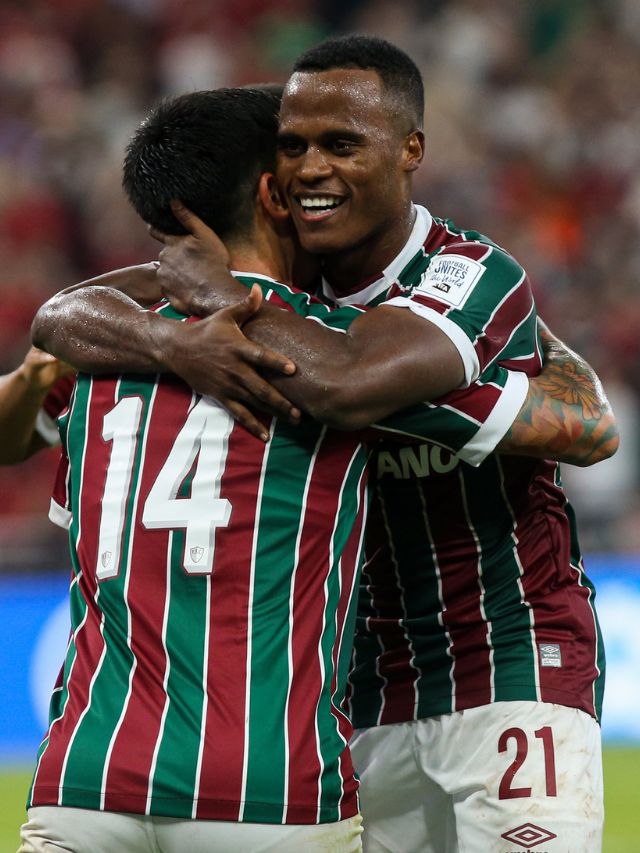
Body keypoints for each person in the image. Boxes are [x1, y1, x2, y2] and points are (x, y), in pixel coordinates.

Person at [31, 38, 615, 853]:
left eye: (341, 145)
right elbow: (63, 313)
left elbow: (355, 381)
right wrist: (176, 344)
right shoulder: (292, 275)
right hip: (360, 687)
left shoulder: (464, 274)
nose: (312, 168)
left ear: (410, 150)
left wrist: (215, 301)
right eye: (295, 146)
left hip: (507, 661)